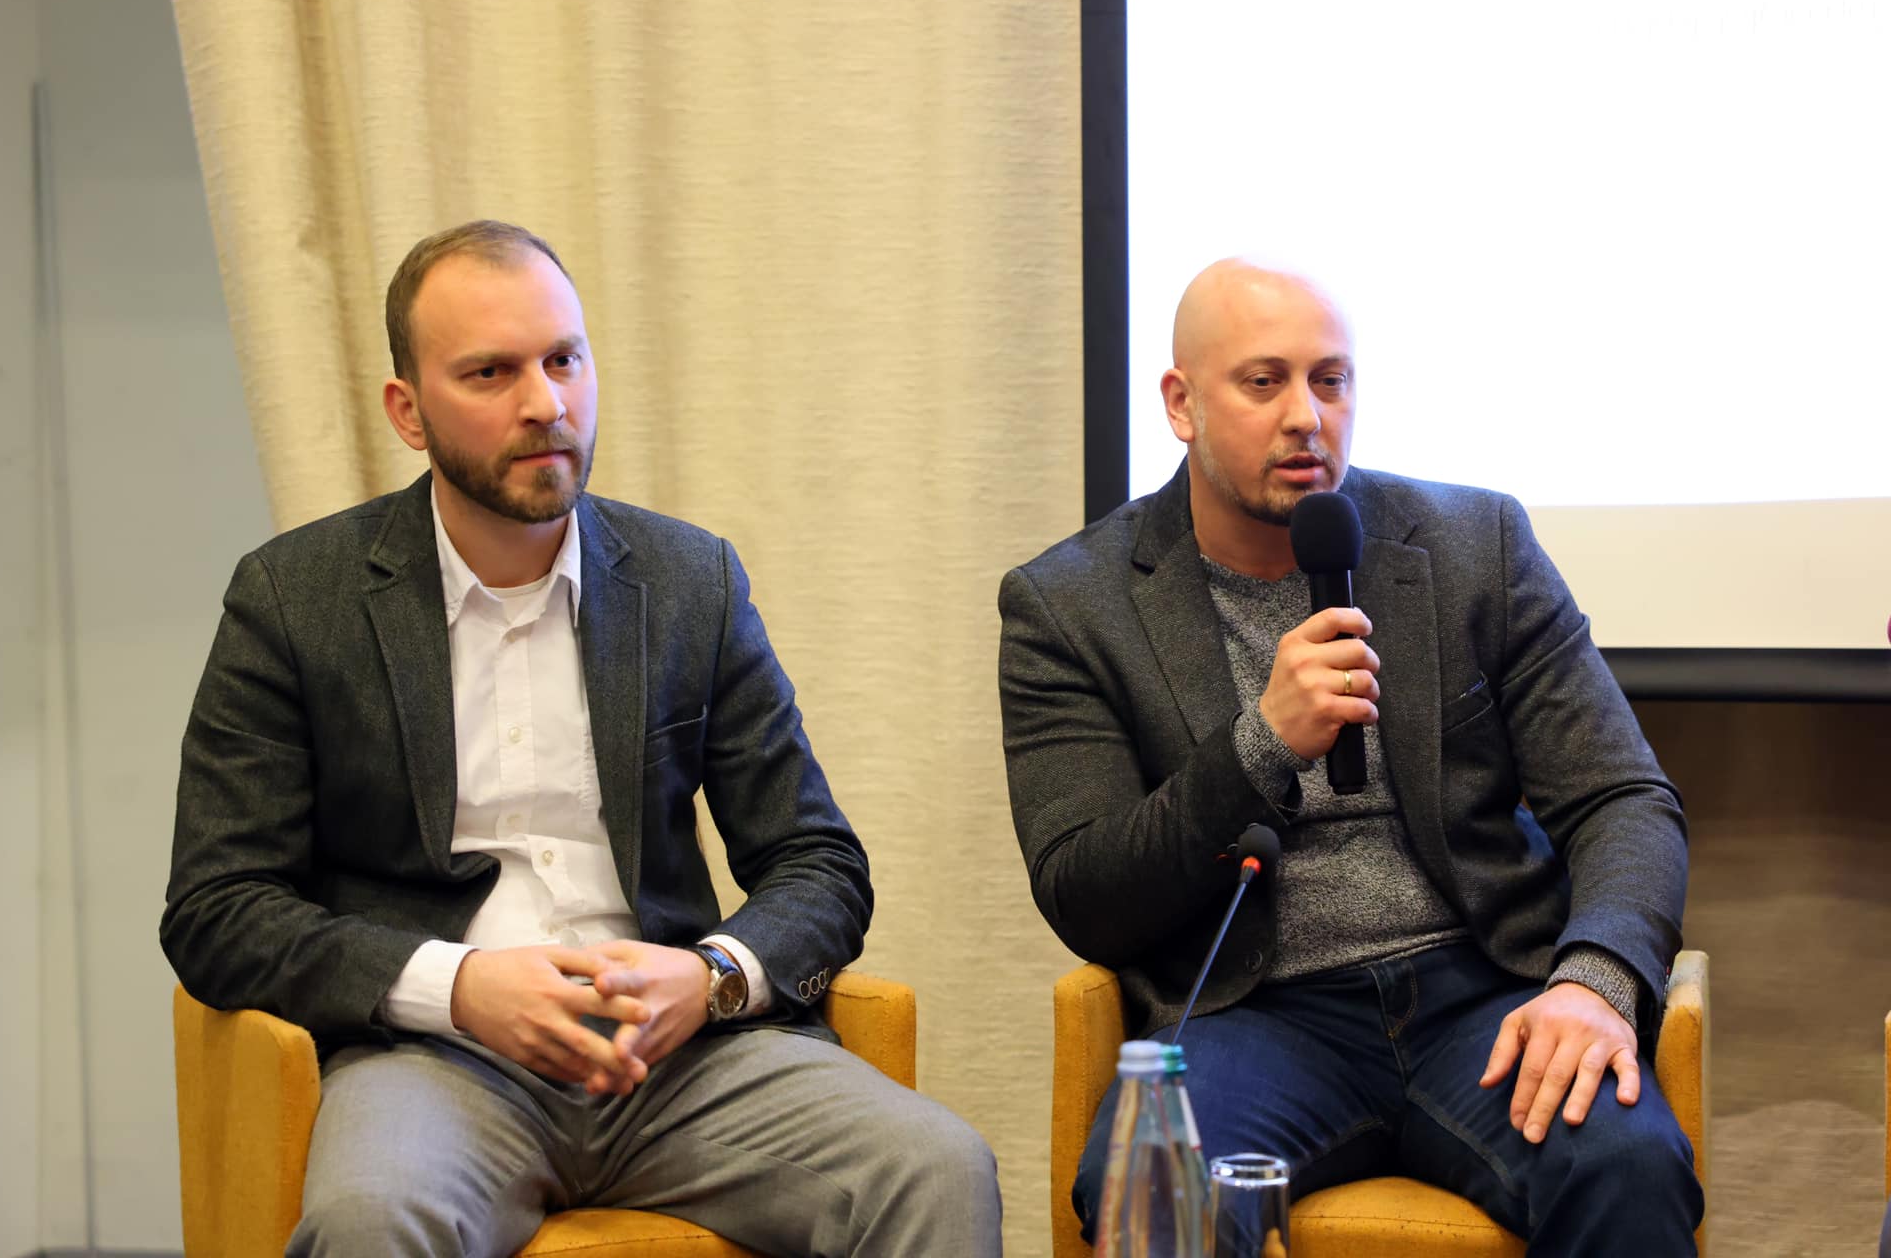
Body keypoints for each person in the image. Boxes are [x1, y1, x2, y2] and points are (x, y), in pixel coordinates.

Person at [164, 219, 1000, 1257]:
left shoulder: (688, 580)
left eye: (563, 359)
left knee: (936, 1166)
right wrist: (458, 986)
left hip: (681, 1061)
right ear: (408, 410)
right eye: (490, 372)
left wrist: (709, 976)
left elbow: (817, 863)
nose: (544, 403)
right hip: (434, 1061)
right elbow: (217, 909)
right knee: (367, 1220)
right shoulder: (297, 598)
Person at [997, 258, 1700, 1255]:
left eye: (1330, 381)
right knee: (1151, 1186)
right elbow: (1084, 889)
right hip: (1255, 1016)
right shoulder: (1069, 606)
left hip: (1482, 993)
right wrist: (1259, 746)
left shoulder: (1474, 544)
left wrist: (1592, 980)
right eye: (1263, 382)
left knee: (1627, 1164)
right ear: (1181, 403)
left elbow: (1621, 798)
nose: (1306, 416)